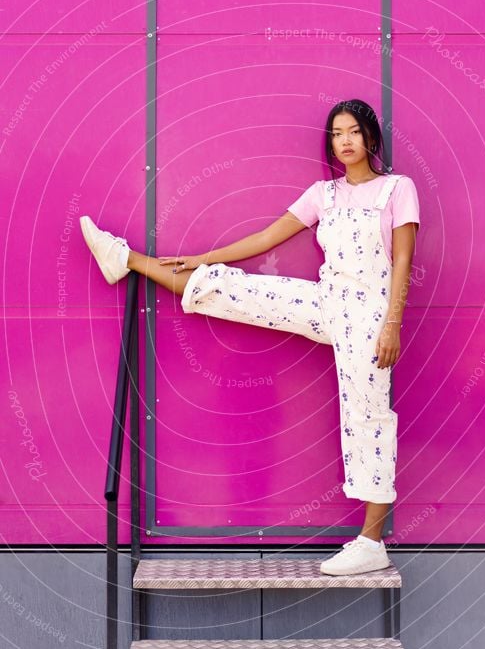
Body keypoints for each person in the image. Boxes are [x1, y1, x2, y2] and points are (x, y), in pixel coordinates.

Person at [79, 99, 420, 576]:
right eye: (337, 133)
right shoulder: (324, 194)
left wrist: (392, 325)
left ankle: (371, 539)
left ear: (370, 139)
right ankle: (128, 260)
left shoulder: (397, 189)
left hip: (370, 315)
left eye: (354, 132)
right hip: (328, 300)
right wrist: (203, 257)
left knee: (367, 414)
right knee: (244, 291)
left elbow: (403, 259)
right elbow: (265, 238)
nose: (345, 141)